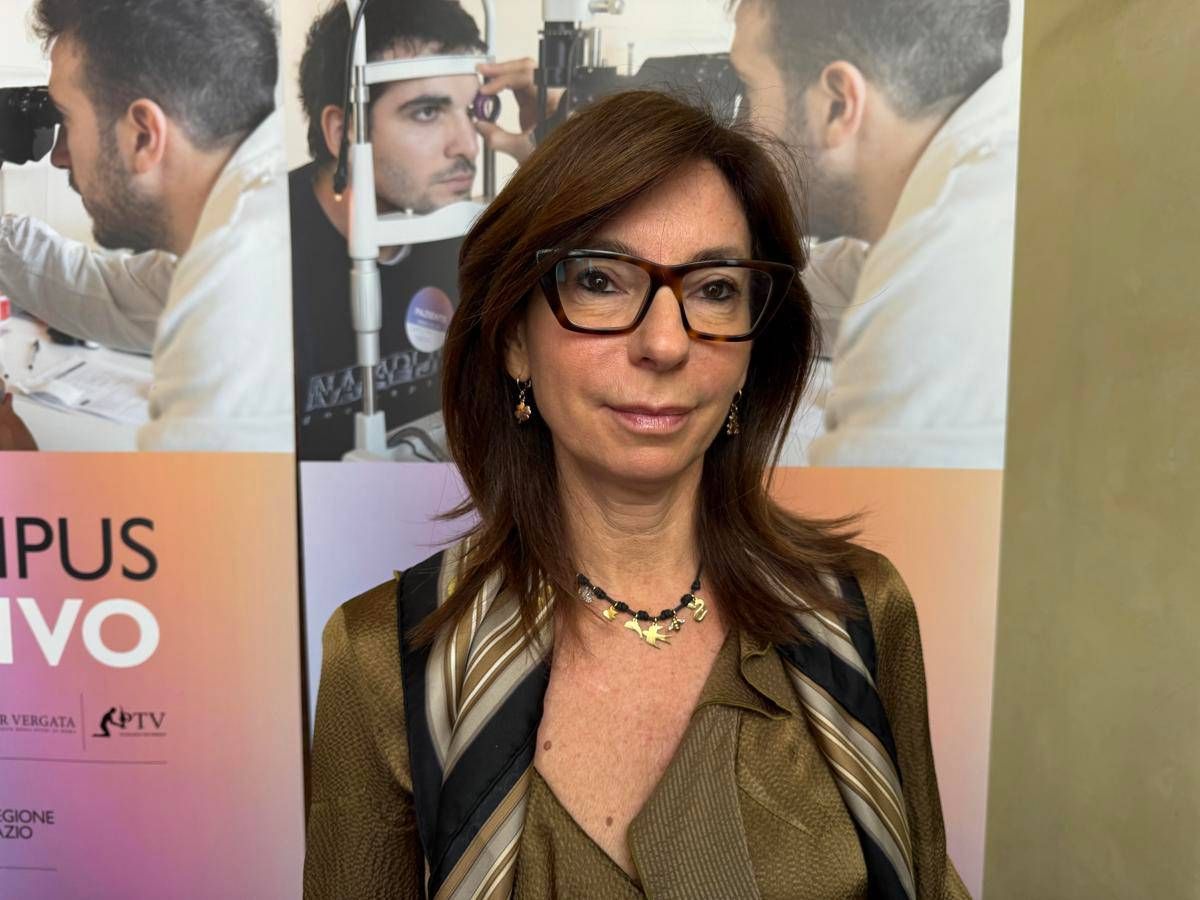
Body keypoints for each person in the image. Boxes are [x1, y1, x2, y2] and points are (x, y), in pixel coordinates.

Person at [304, 90, 968, 898]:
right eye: (600, 281)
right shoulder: (384, 658)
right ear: (514, 338)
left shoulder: (857, 614)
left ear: (752, 348)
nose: (664, 342)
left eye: (714, 289)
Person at [730, 0, 1017, 468]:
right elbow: (847, 281)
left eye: (749, 86)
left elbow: (866, 513)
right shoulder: (993, 167)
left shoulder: (947, 274)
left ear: (837, 105)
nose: (741, 130)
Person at [0, 0, 292, 452]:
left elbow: (190, 500)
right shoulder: (250, 214)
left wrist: (16, 461)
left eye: (67, 119)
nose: (58, 157)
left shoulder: (237, 288)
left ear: (143, 135)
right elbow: (107, 292)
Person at [292, 1, 559, 461]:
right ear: (342, 131)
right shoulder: (260, 246)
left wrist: (559, 164)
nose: (467, 144)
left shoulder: (473, 232)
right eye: (427, 112)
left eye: (474, 109)